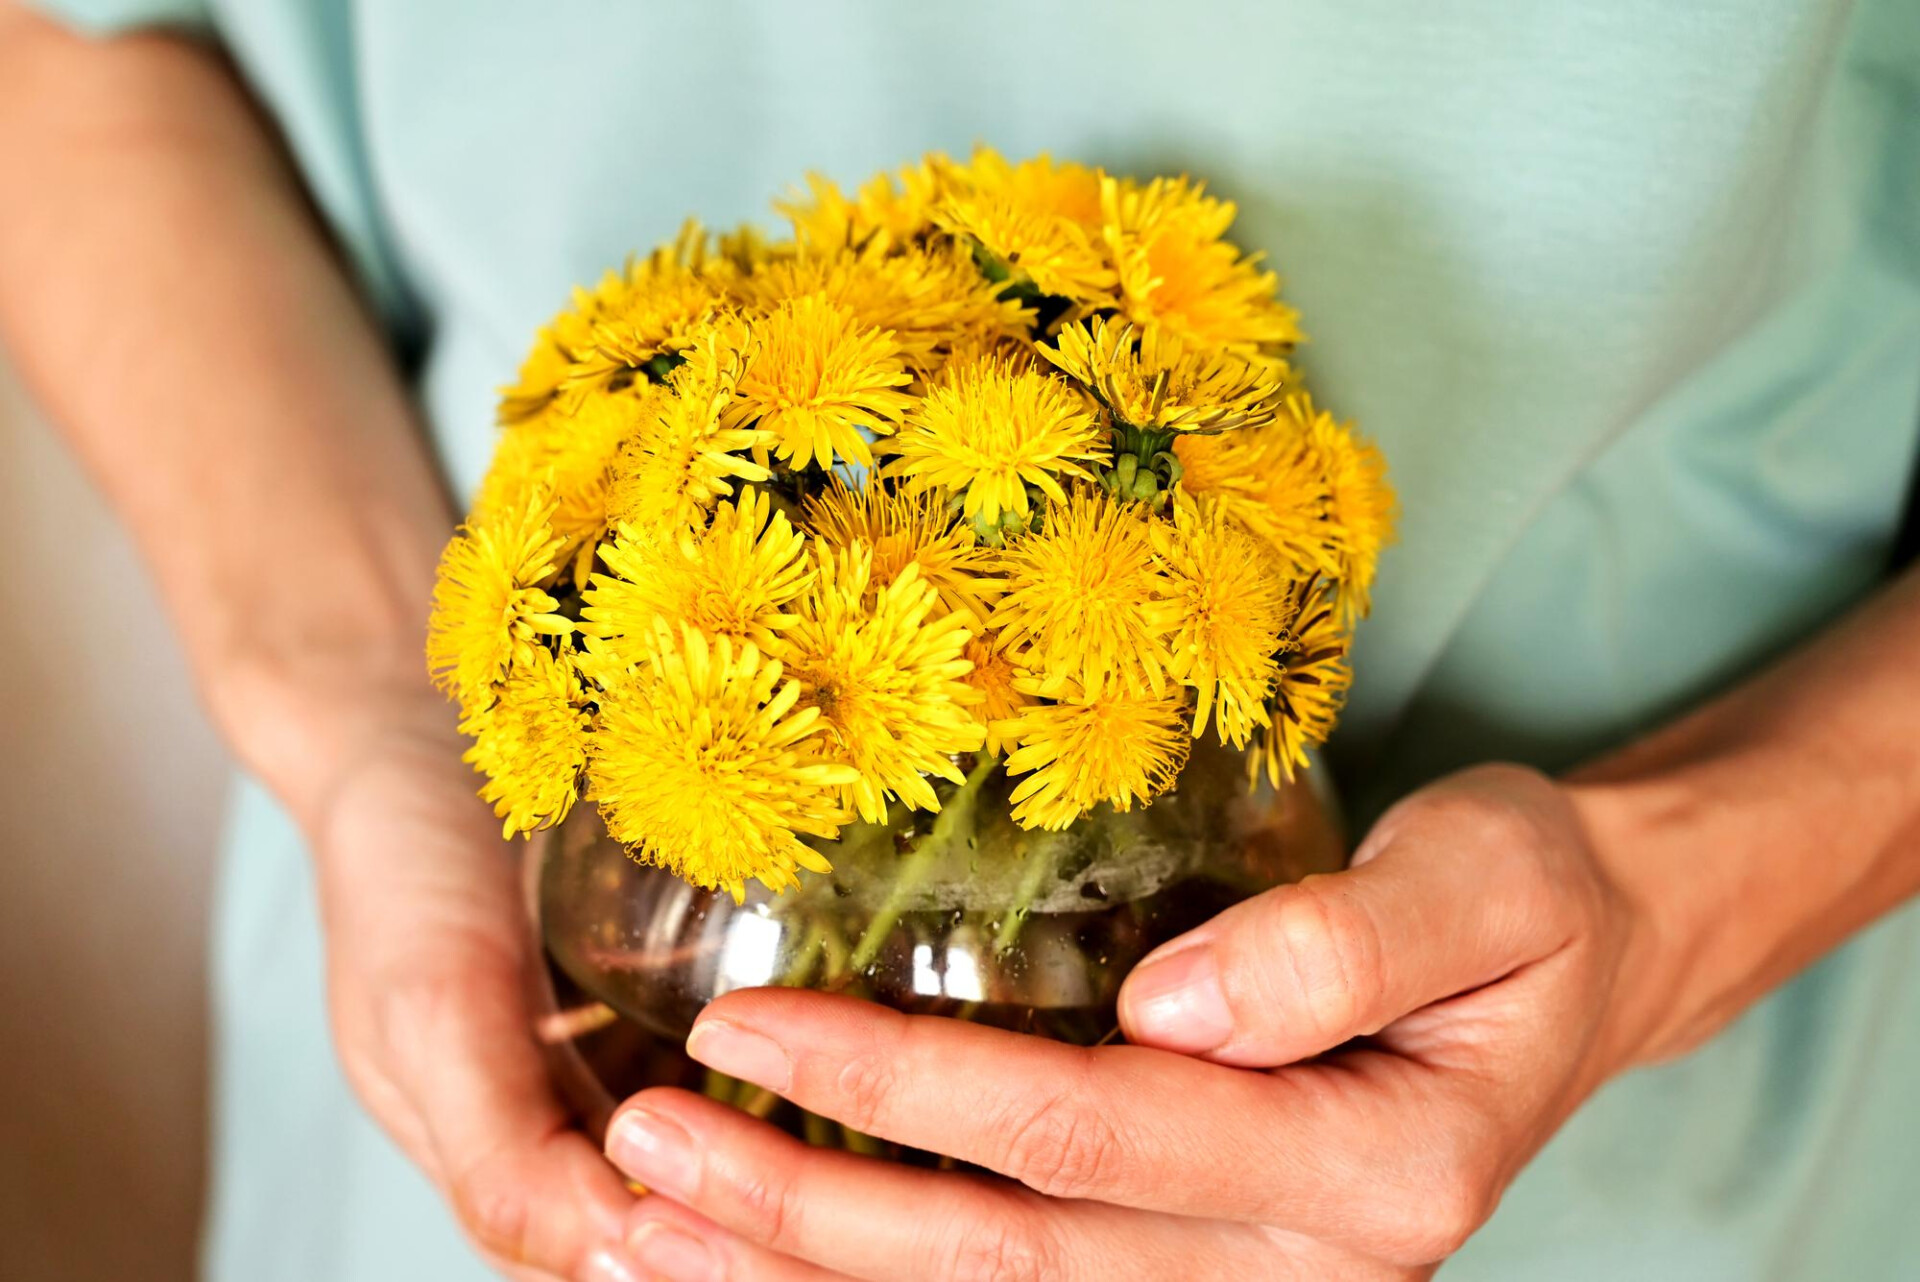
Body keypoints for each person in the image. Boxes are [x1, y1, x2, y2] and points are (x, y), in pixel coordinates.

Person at [2, 2, 1917, 1279]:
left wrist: (1662, 893)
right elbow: (82, 51)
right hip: (504, 1037)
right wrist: (364, 718)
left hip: (1617, 1145)